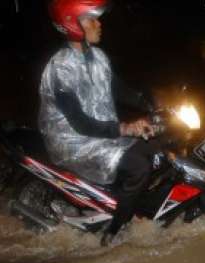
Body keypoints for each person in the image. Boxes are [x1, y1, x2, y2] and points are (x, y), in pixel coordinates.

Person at [39, 0, 158, 246]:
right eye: (91, 19)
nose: (98, 23)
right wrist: (124, 128)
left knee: (157, 146)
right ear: (72, 25)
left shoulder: (98, 57)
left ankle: (130, 203)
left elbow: (119, 89)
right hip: (74, 142)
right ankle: (114, 232)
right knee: (139, 167)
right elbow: (81, 124)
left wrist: (150, 102)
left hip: (102, 132)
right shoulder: (60, 69)